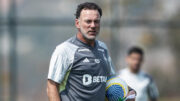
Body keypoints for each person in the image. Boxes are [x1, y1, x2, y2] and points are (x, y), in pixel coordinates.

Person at [47, 2, 135, 101]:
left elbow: (111, 79)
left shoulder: (103, 48)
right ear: (77, 23)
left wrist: (130, 91)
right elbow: (52, 86)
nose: (93, 25)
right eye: (88, 21)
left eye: (96, 21)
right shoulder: (65, 50)